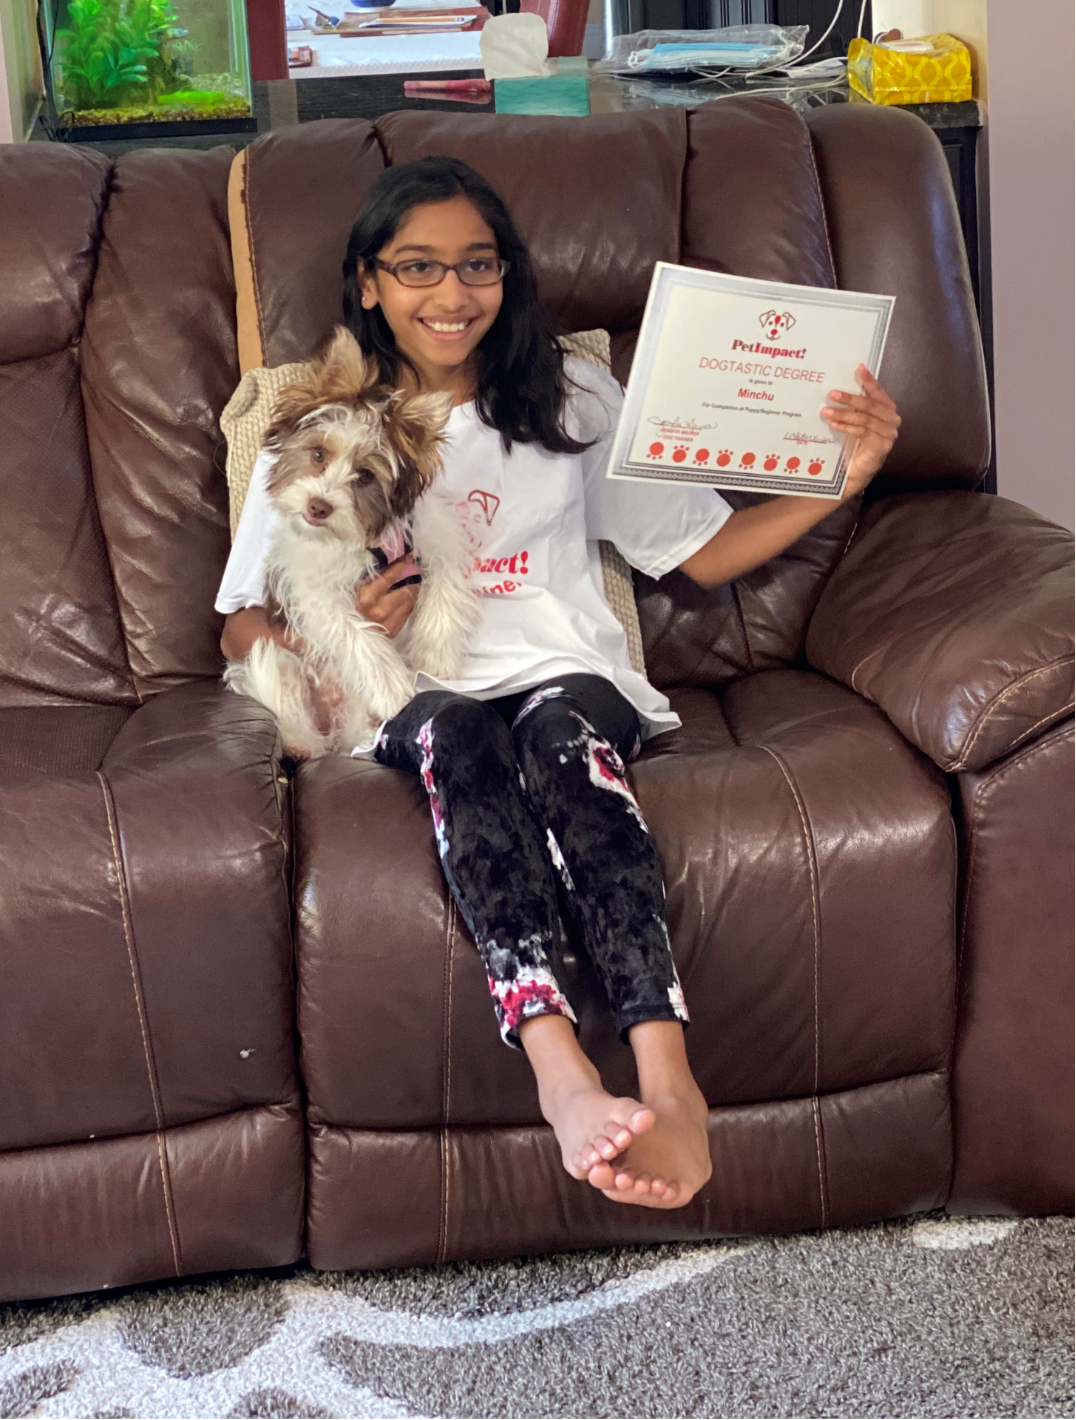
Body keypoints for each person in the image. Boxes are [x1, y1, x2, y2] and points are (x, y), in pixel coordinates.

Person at [217, 157, 901, 1211]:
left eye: (476, 265)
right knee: (458, 738)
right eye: (417, 267)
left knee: (560, 745)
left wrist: (844, 477)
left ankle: (669, 1079)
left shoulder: (573, 393)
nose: (451, 294)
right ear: (367, 283)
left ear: (508, 274)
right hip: (417, 690)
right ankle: (559, 1072)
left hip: (568, 672)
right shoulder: (325, 426)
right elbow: (239, 622)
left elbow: (706, 553)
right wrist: (346, 625)